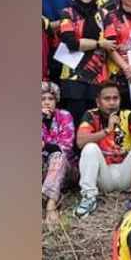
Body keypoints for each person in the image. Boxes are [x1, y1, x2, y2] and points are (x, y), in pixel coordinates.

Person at [74, 82, 131, 217]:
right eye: (107, 99)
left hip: (125, 173)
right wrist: (107, 130)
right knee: (89, 148)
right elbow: (80, 142)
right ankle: (89, 197)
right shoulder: (91, 115)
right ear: (98, 102)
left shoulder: (128, 115)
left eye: (115, 98)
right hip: (103, 175)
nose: (112, 103)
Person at [57, 0, 111, 127]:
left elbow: (111, 41)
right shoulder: (67, 13)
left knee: (95, 123)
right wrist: (99, 44)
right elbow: (71, 43)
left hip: (98, 76)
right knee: (75, 122)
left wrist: (87, 43)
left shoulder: (104, 13)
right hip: (73, 76)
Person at [41, 82, 77, 225]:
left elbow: (65, 147)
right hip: (44, 169)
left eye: (50, 99)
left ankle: (51, 204)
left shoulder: (64, 116)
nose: (47, 102)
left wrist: (45, 146)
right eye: (42, 99)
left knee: (58, 156)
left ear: (56, 100)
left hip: (66, 169)